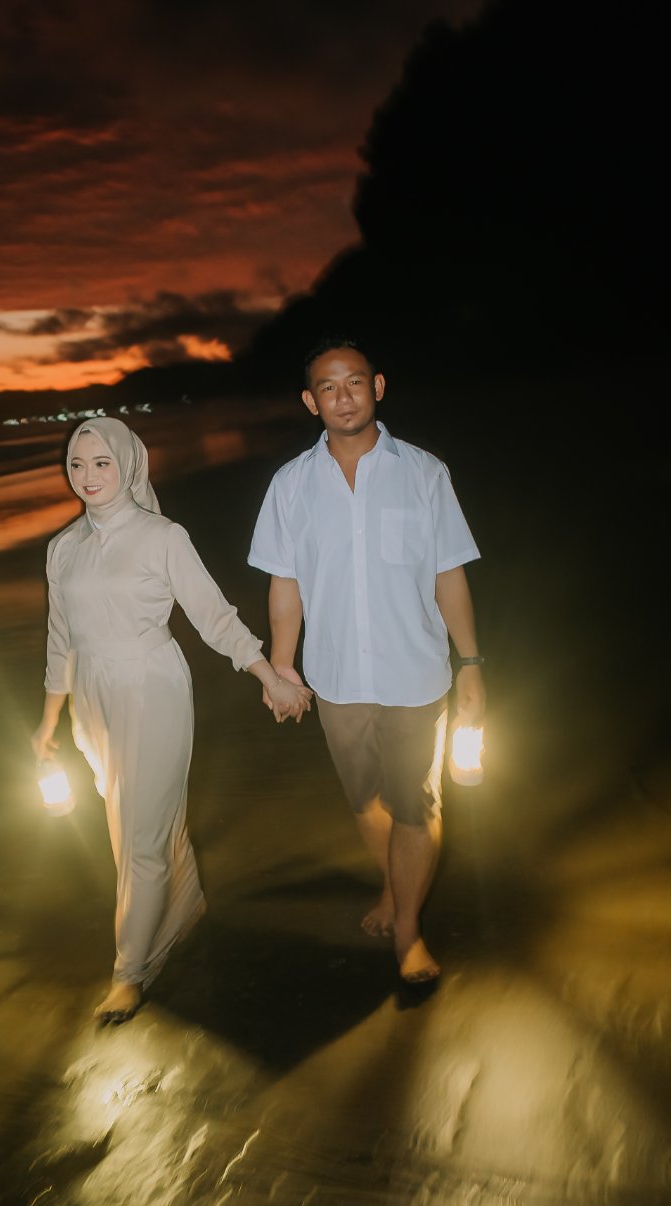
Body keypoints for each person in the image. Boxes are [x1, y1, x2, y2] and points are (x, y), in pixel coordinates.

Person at [31, 417, 310, 1025]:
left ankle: (129, 971)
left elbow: (213, 615)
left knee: (140, 838)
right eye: (76, 464)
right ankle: (184, 905)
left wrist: (269, 676)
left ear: (130, 464)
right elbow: (60, 639)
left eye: (101, 462)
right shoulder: (63, 548)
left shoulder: (162, 537)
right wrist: (49, 720)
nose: (87, 476)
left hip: (151, 686)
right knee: (133, 823)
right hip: (92, 698)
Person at [248, 339, 484, 986]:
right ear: (310, 401)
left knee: (416, 806)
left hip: (416, 674)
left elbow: (449, 573)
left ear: (377, 386)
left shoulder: (425, 473)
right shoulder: (290, 485)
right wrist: (282, 667)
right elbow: (285, 583)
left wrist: (471, 663)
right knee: (364, 799)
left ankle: (408, 929)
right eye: (328, 387)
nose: (343, 396)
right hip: (337, 677)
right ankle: (393, 883)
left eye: (354, 382)